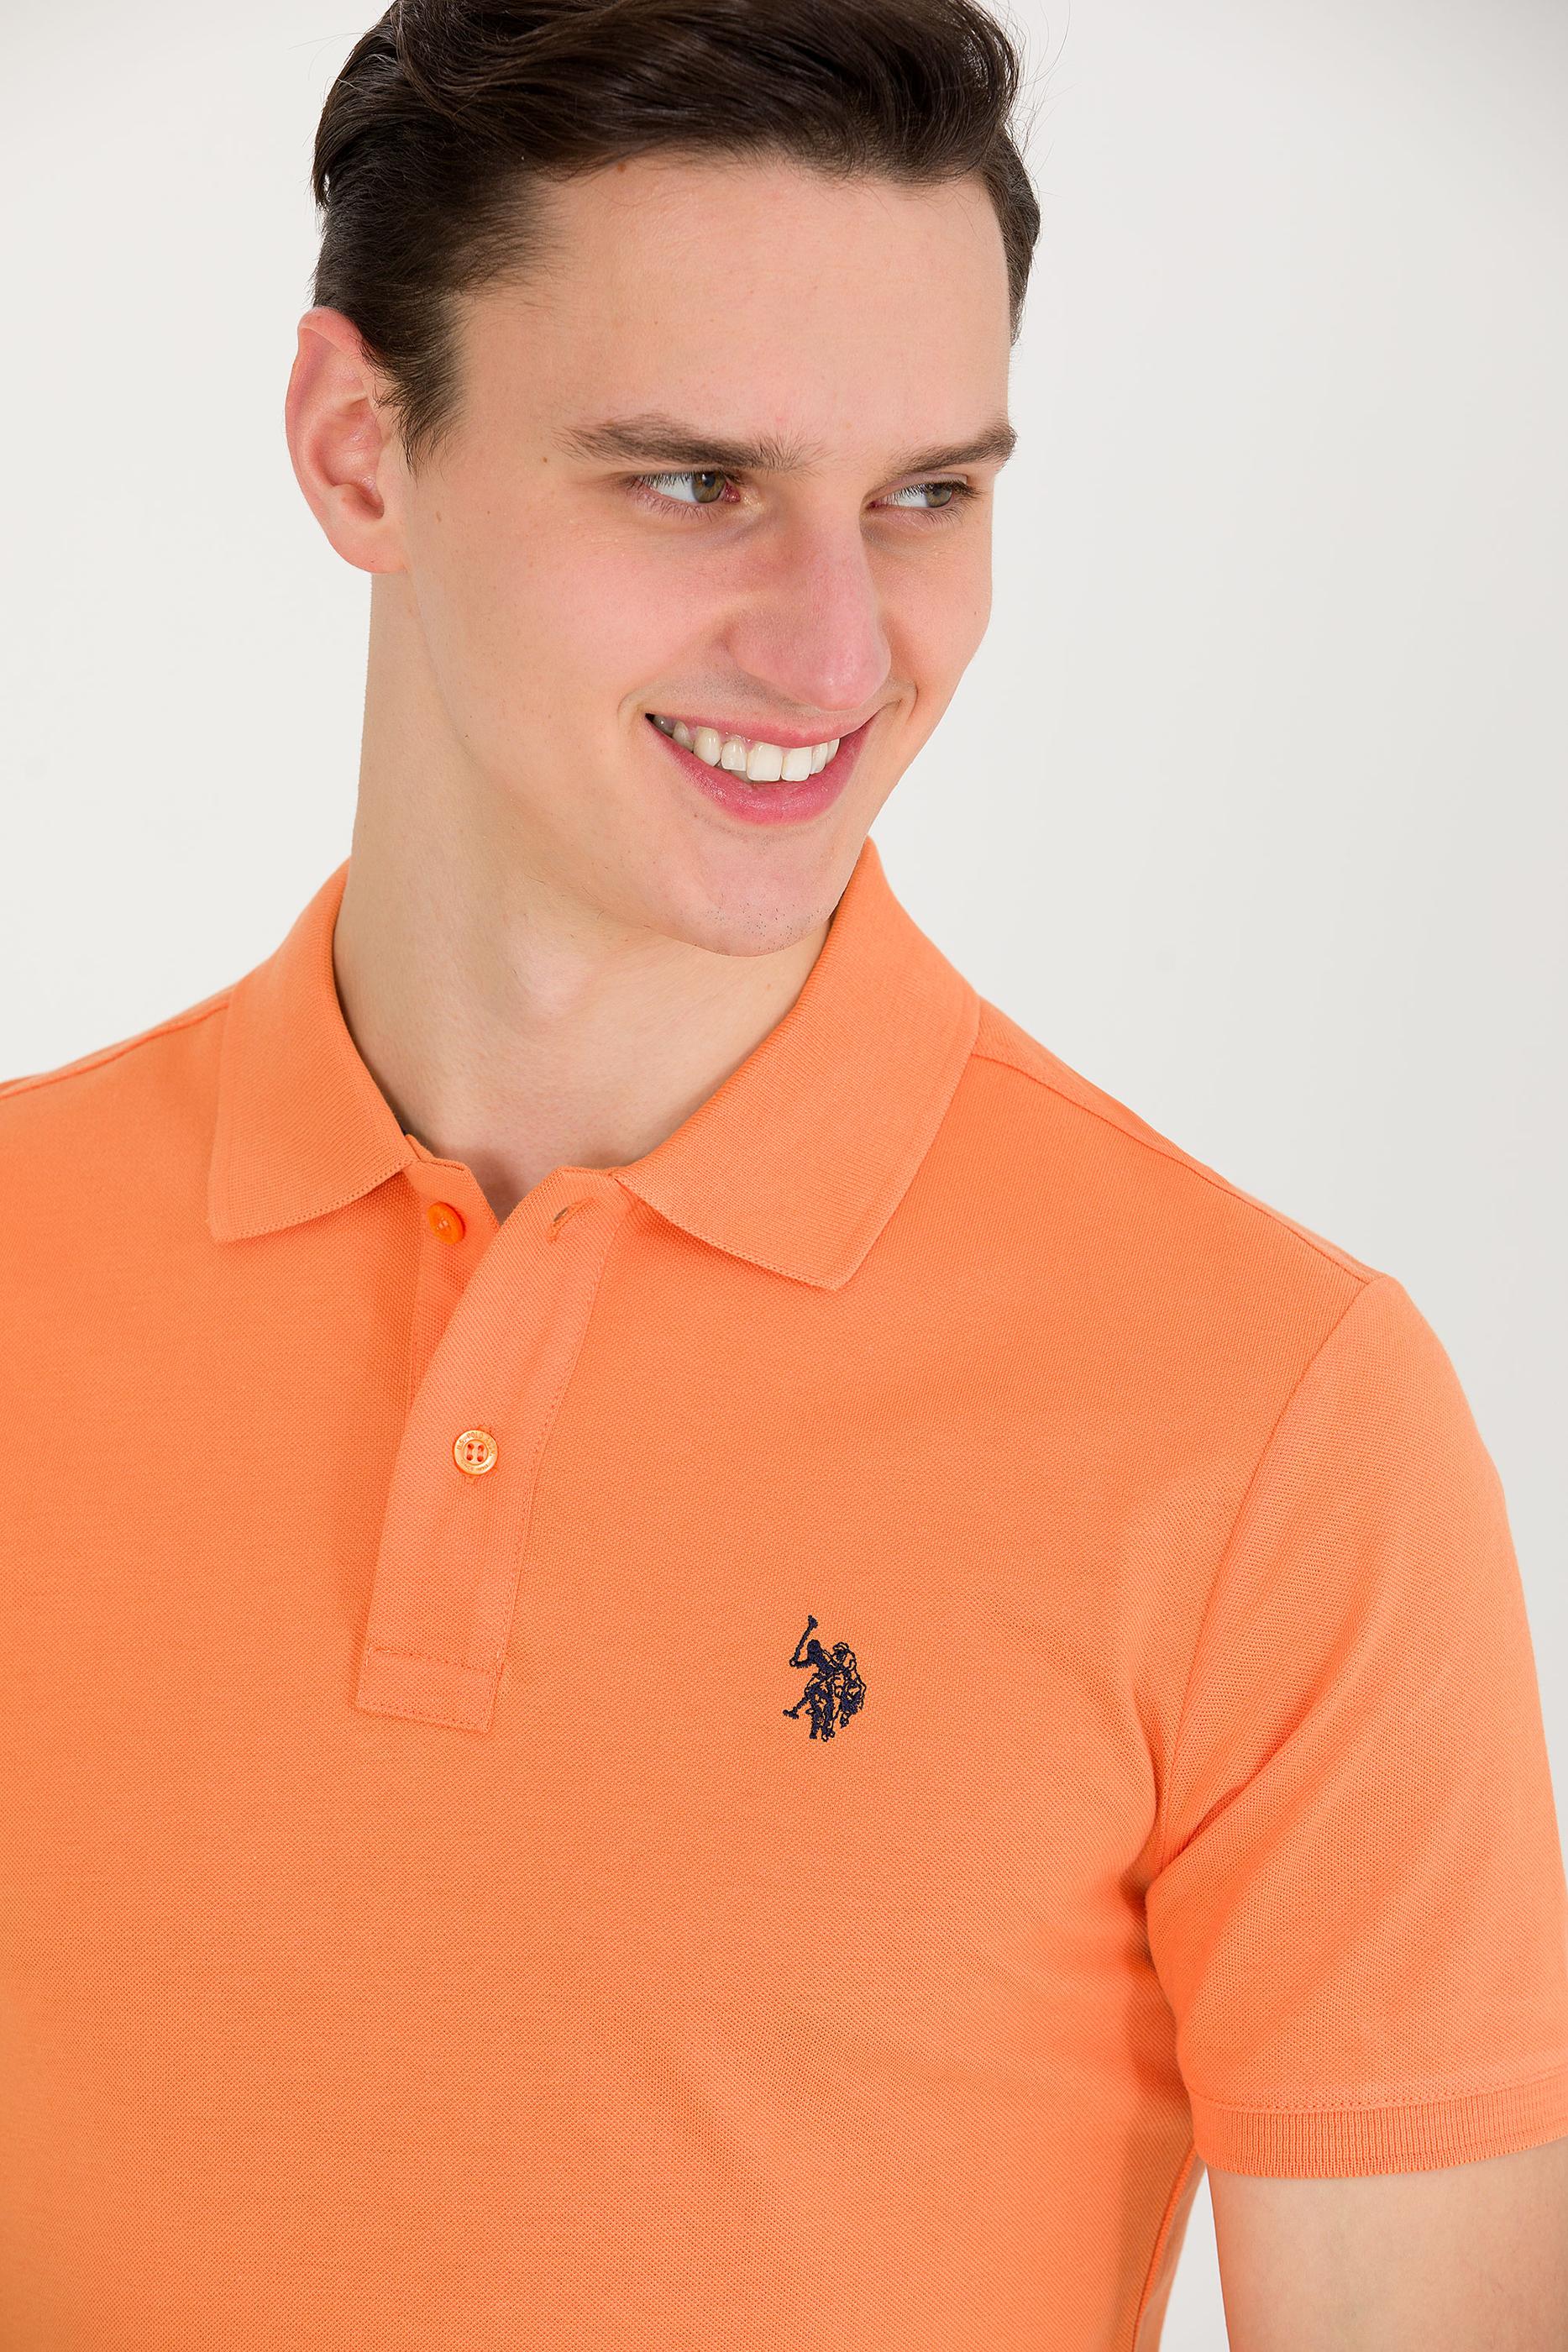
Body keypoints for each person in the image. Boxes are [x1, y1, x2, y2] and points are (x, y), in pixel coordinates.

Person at [2, 2, 1565, 2344]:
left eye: (927, 496)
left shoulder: (1270, 1419)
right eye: (691, 482)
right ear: (357, 450)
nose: (841, 650)